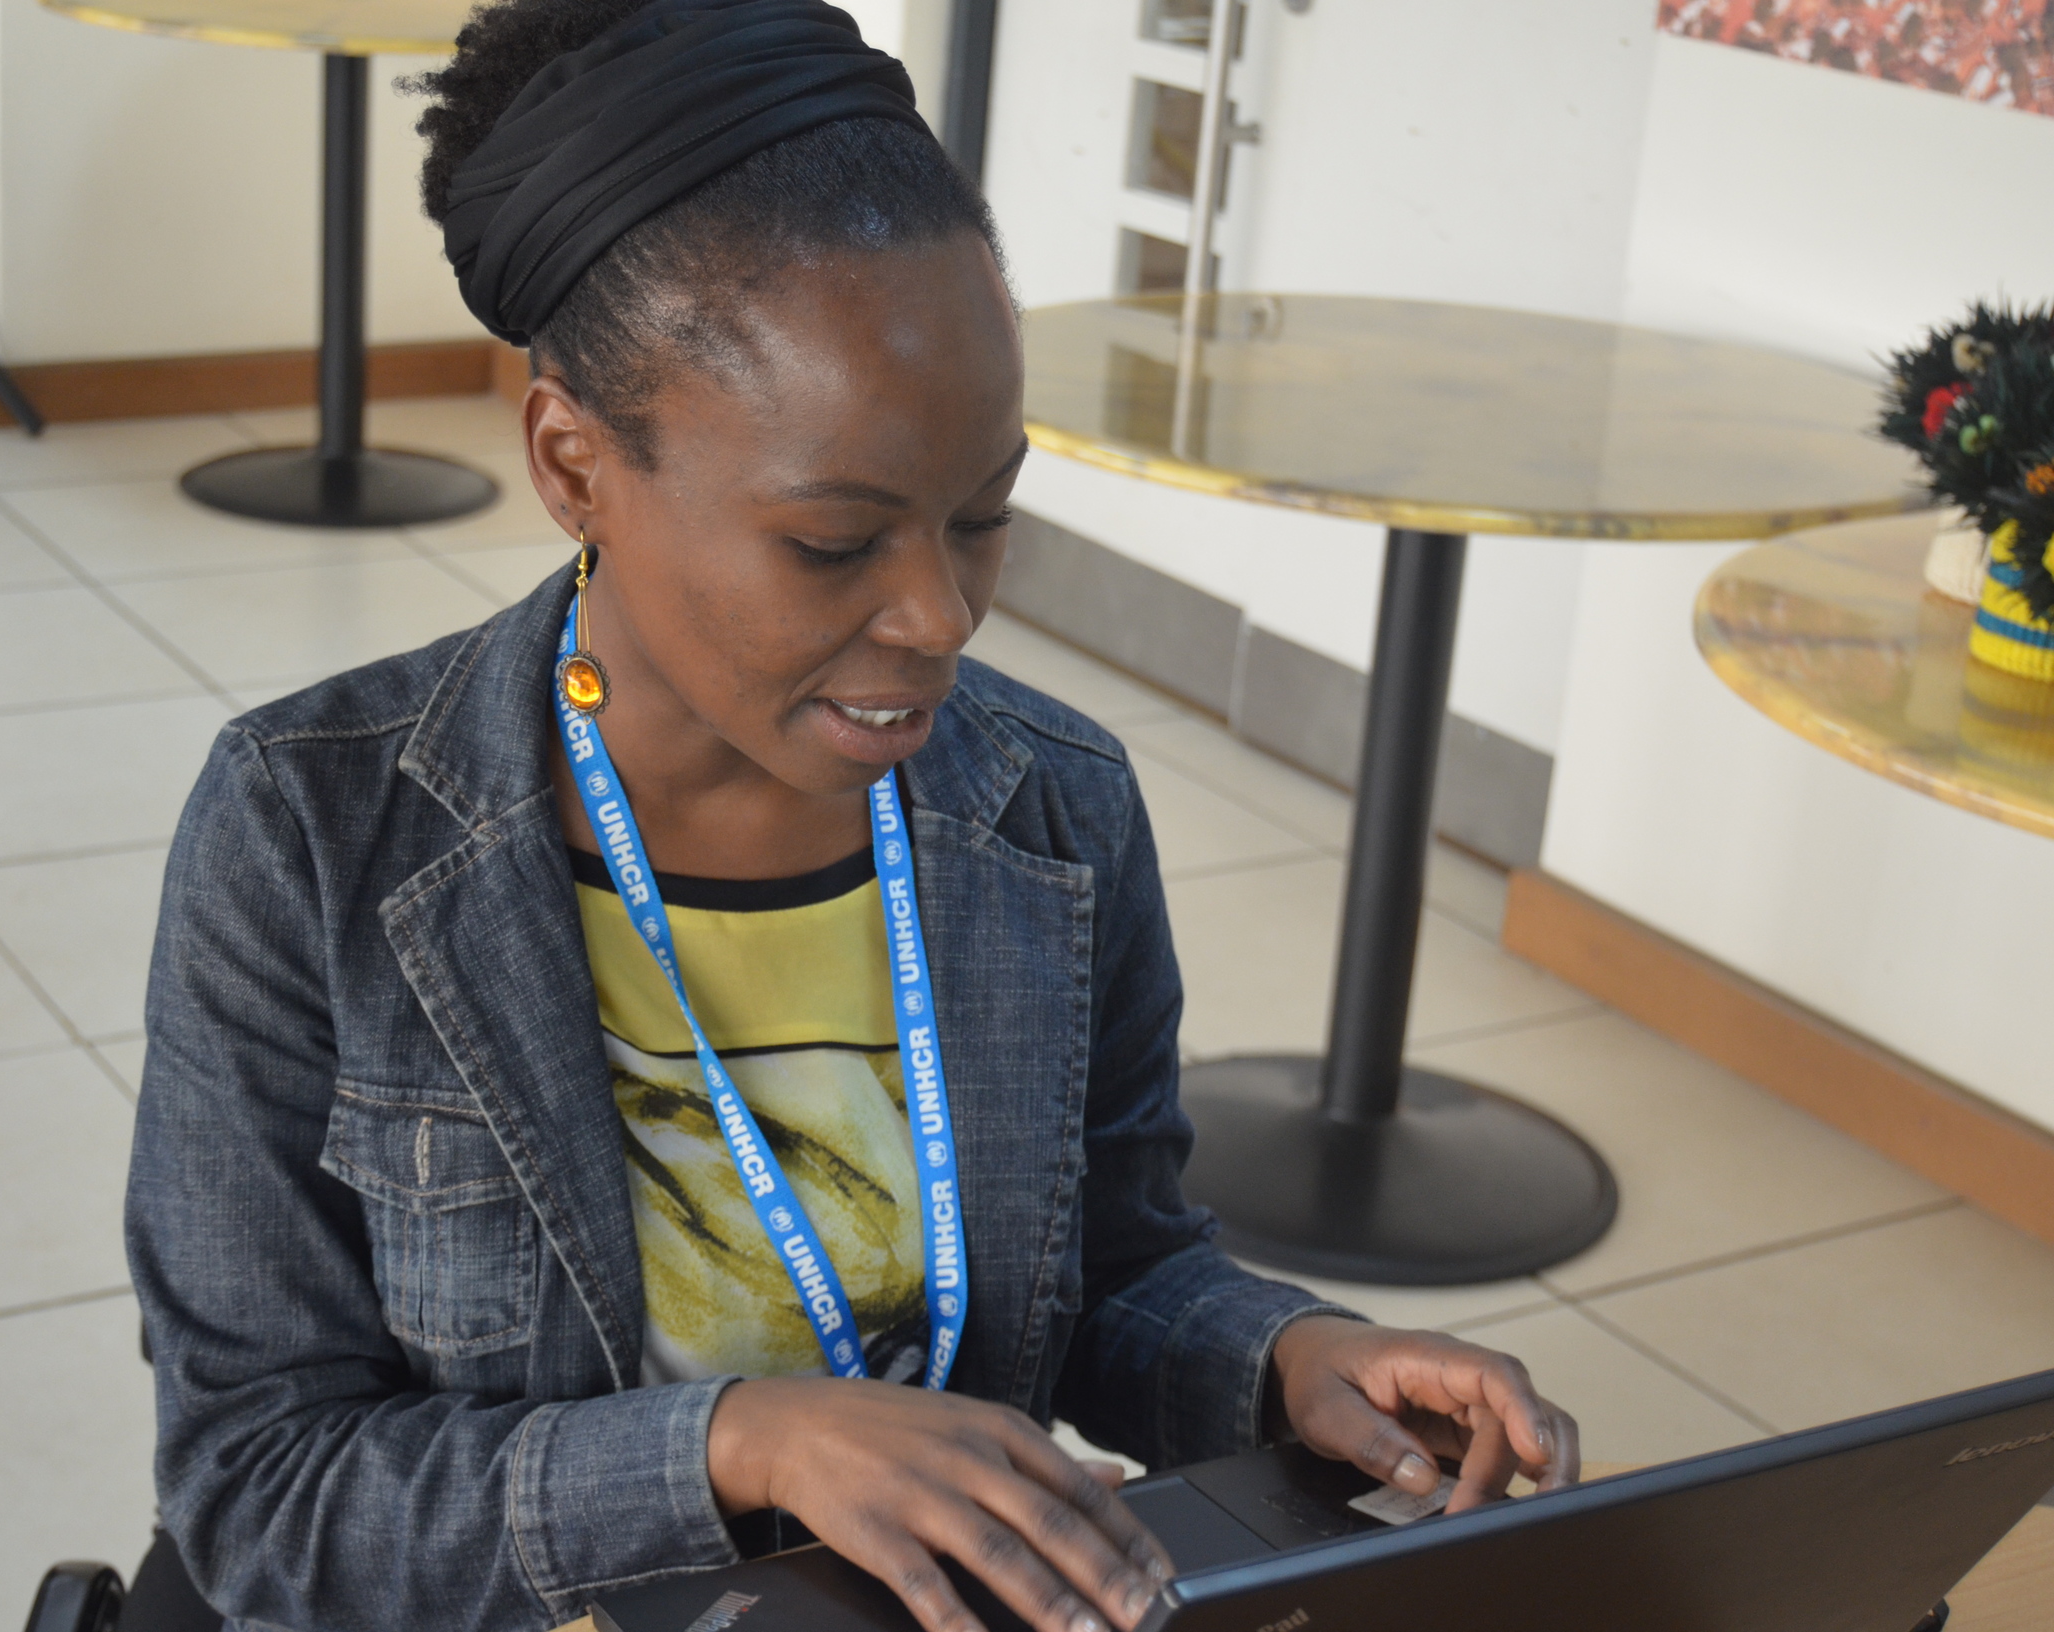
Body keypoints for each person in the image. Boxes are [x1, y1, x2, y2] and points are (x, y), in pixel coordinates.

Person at [126, 3, 1581, 1630]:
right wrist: (744, 1444)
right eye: (835, 543)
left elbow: (1108, 1269)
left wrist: (1294, 1357)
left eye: (984, 519)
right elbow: (263, 1490)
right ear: (574, 463)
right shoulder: (312, 836)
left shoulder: (1050, 806)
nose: (942, 618)